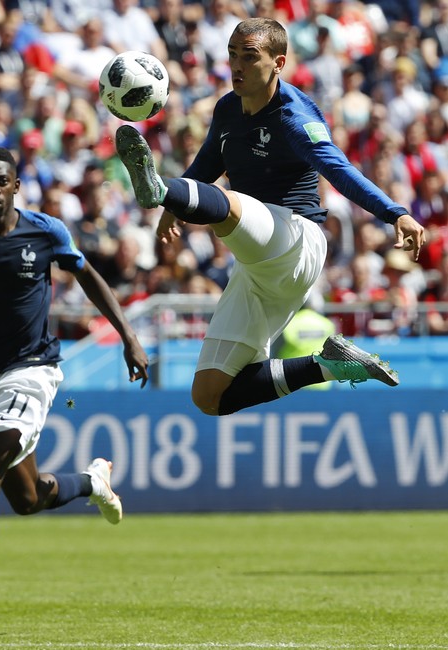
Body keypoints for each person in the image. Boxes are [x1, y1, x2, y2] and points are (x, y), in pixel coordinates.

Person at [115, 17, 427, 417]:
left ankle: (157, 187)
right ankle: (327, 364)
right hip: (256, 267)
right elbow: (209, 160)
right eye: (232, 55)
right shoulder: (228, 108)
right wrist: (177, 207)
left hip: (297, 241)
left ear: (278, 62)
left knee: (228, 206)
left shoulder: (294, 117)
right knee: (209, 395)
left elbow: (339, 169)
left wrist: (395, 212)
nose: (237, 66)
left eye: (250, 57)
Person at [0, 146, 150, 636]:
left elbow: (89, 279)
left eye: (2, 181)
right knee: (28, 498)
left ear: (16, 185)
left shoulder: (47, 230)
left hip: (33, 370)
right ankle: (92, 481)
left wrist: (129, 336)